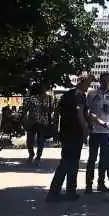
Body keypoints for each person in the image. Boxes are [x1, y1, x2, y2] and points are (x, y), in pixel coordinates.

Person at [47, 74, 91, 202]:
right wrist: (85, 131)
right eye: (87, 84)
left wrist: (55, 129)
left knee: (70, 162)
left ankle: (68, 191)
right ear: (81, 83)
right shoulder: (79, 96)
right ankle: (56, 192)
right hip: (74, 133)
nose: (88, 87)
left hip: (66, 132)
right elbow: (80, 115)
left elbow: (56, 112)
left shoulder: (68, 95)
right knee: (67, 163)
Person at [84, 72, 109, 194]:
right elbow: (87, 111)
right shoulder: (92, 94)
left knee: (104, 160)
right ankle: (88, 185)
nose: (105, 83)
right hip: (95, 131)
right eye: (103, 80)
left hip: (107, 132)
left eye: (107, 80)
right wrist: (94, 122)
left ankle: (101, 183)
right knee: (92, 159)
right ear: (100, 81)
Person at [21, 86, 53, 165]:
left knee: (40, 140)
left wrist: (45, 108)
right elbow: (25, 108)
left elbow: (51, 110)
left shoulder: (48, 98)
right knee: (30, 140)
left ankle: (38, 156)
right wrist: (23, 118)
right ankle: (31, 154)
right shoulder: (30, 97)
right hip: (32, 121)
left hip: (42, 122)